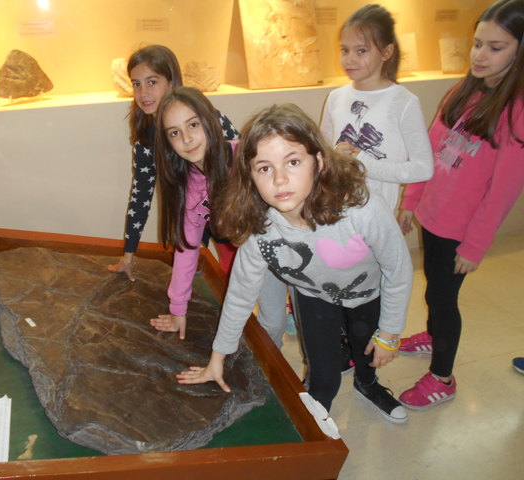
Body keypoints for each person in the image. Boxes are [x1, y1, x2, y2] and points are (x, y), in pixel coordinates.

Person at [177, 103, 413, 424]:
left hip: (368, 293)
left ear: (319, 161)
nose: (279, 179)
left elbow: (398, 269)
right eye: (264, 168)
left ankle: (367, 384)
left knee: (367, 351)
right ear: (250, 176)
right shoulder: (260, 229)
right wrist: (217, 359)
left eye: (292, 162)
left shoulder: (361, 209)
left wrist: (389, 333)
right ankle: (315, 417)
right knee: (323, 376)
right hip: (315, 296)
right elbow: (240, 294)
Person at [397, 0, 524, 410]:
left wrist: (475, 246)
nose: (480, 55)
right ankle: (434, 335)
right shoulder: (463, 91)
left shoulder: (517, 112)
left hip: (461, 230)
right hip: (433, 216)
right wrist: (412, 200)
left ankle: (442, 377)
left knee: (443, 299)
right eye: (477, 43)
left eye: (496, 47)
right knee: (434, 289)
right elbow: (428, 151)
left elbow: (502, 192)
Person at [319, 4, 433, 374]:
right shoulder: (336, 97)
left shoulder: (404, 102)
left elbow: (423, 166)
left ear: (386, 52)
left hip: (376, 219)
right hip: (336, 215)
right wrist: (332, 159)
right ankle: (342, 349)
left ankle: (368, 361)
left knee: (369, 295)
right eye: (344, 49)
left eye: (361, 50)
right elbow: (320, 153)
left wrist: (365, 164)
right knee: (336, 284)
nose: (349, 59)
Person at [149, 87, 287, 344]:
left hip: (296, 246)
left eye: (193, 125)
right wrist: (178, 309)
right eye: (175, 133)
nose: (187, 139)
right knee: (271, 324)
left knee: (310, 313)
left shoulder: (245, 156)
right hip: (259, 258)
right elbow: (187, 248)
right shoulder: (188, 187)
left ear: (210, 120)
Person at [108, 45, 239, 281]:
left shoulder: (208, 117)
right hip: (191, 219)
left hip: (230, 212)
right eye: (136, 84)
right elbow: (140, 196)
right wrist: (128, 257)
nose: (143, 93)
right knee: (195, 272)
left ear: (171, 82)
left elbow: (242, 162)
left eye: (152, 82)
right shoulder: (146, 141)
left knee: (236, 273)